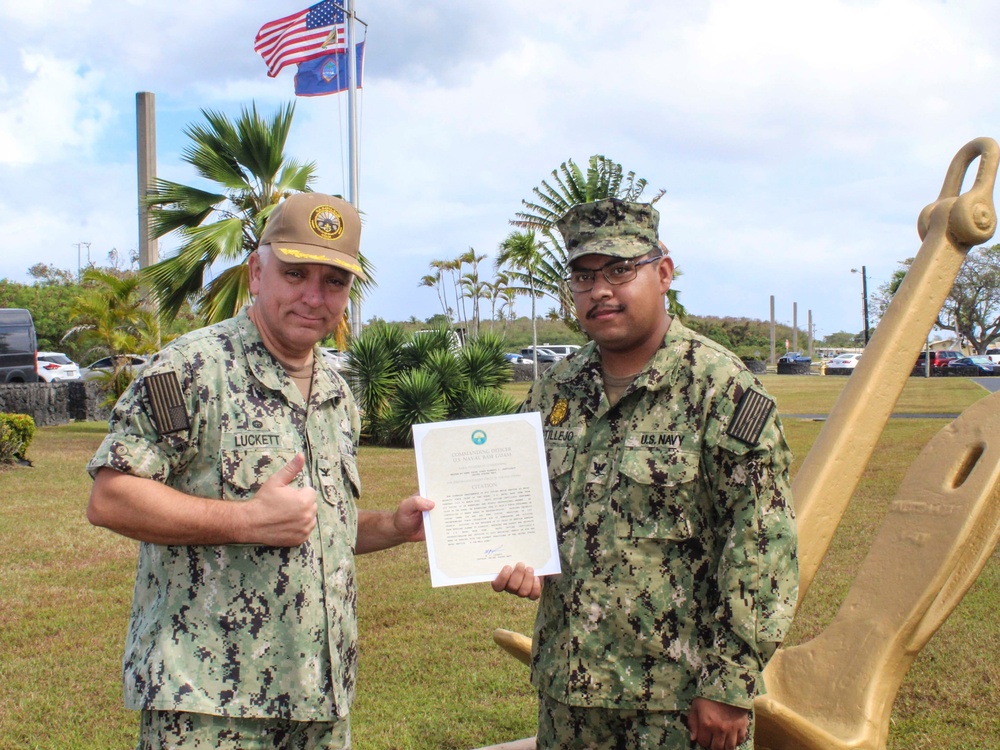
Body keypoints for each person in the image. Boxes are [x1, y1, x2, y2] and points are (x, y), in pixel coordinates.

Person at [86, 192, 433, 750]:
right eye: (295, 274)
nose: (314, 297)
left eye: (335, 282)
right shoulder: (192, 368)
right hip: (208, 707)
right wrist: (245, 520)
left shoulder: (337, 393)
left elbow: (313, 526)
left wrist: (393, 526)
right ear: (256, 271)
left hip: (319, 699)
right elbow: (111, 497)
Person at [493, 198, 798, 750]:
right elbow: (515, 500)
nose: (600, 290)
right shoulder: (555, 391)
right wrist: (514, 556)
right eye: (584, 276)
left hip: (678, 702)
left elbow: (761, 541)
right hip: (569, 692)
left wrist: (729, 684)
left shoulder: (720, 388)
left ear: (662, 273)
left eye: (619, 270)